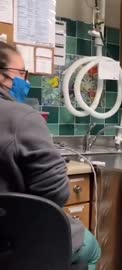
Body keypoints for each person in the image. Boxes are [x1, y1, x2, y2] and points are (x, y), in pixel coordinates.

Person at [0, 42, 101, 269]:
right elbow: (55, 194)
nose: (26, 82)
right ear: (2, 76)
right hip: (17, 242)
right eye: (21, 74)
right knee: (91, 247)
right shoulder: (22, 118)